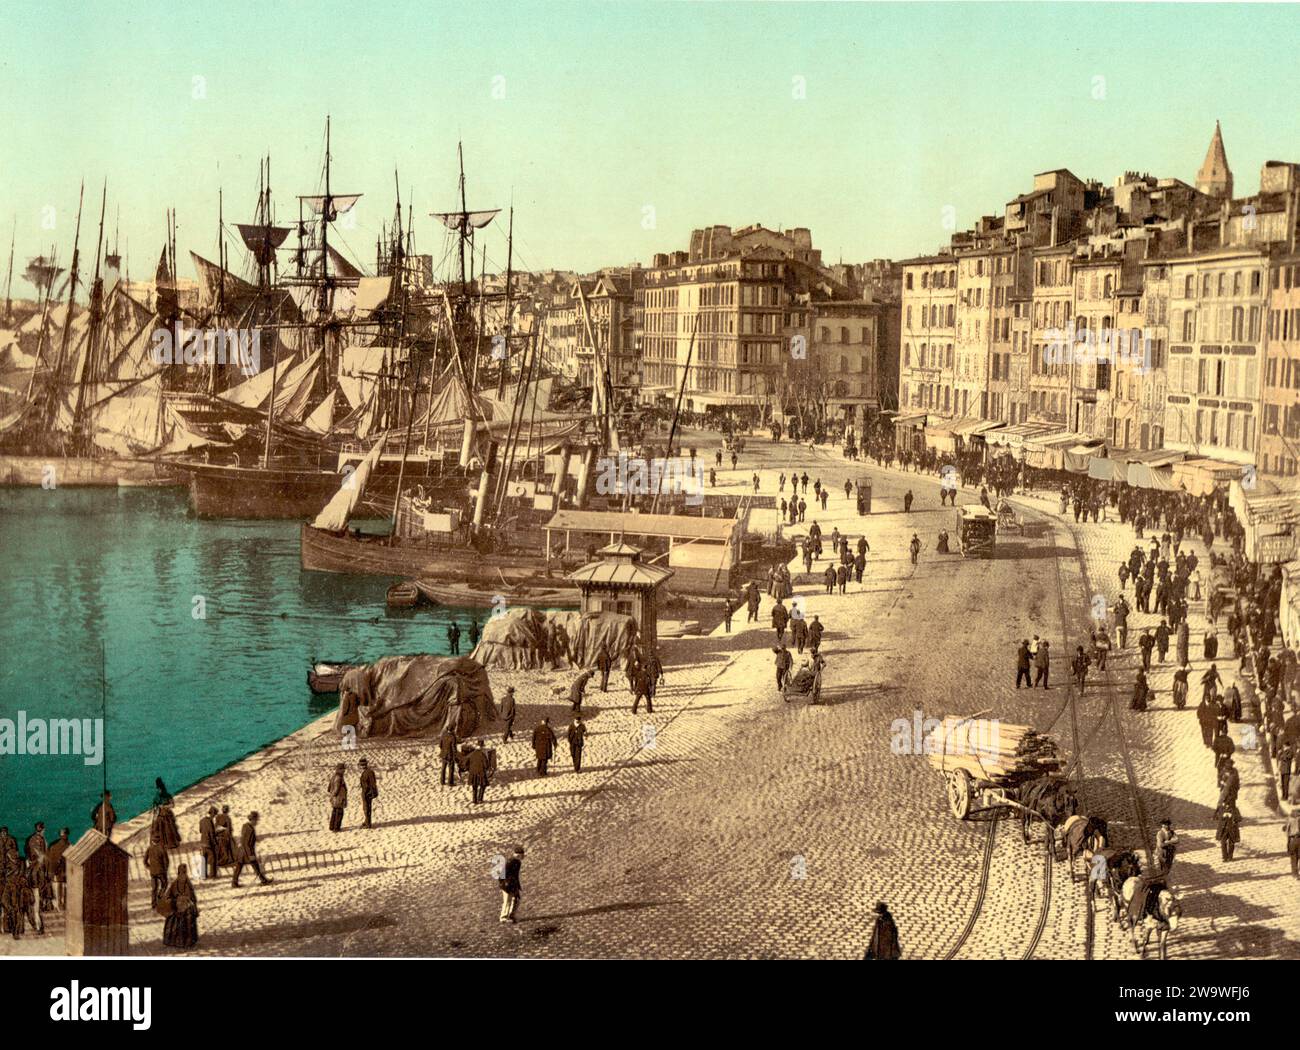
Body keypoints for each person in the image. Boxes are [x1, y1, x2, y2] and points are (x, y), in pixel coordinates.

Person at [160, 863, 200, 949]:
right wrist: (175, 902)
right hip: (178, 908)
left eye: (184, 872)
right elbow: (168, 897)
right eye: (182, 872)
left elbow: (192, 897)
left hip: (185, 908)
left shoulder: (182, 883)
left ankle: (183, 942)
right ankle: (182, 941)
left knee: (186, 919)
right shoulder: (178, 883)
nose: (183, 875)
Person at [231, 812, 271, 888]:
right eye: (256, 820)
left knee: (240, 866)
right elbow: (246, 843)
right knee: (253, 865)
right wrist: (250, 854)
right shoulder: (250, 829)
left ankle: (234, 883)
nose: (256, 822)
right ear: (252, 820)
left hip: (242, 851)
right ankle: (263, 880)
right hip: (247, 851)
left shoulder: (245, 826)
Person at [46, 828, 70, 910]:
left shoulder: (55, 846)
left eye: (64, 834)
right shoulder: (66, 846)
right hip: (61, 871)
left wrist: (51, 872)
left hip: (61, 872)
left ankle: (60, 905)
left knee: (60, 889)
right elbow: (52, 860)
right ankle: (60, 904)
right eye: (63, 835)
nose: (63, 836)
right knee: (61, 889)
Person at [499, 846, 524, 924]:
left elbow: (516, 875)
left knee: (516, 900)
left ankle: (511, 916)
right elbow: (501, 875)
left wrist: (518, 886)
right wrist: (504, 884)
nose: (523, 857)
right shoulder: (510, 861)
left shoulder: (518, 862)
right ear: (518, 855)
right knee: (507, 901)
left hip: (513, 884)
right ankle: (503, 917)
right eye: (522, 855)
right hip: (507, 885)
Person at [144, 831, 170, 908]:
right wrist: (165, 870)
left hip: (152, 872)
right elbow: (166, 861)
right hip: (161, 871)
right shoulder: (162, 848)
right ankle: (159, 897)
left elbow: (145, 861)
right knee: (164, 885)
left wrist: (149, 867)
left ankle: (153, 904)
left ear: (152, 841)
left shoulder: (149, 849)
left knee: (154, 888)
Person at [199, 806, 219, 879]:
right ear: (212, 814)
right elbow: (211, 834)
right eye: (214, 815)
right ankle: (212, 875)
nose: (214, 817)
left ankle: (203, 875)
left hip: (202, 843)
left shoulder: (201, 820)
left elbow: (200, 830)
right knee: (213, 859)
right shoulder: (210, 822)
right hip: (208, 844)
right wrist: (215, 843)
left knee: (203, 859)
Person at [359, 758, 378, 829]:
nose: (362, 766)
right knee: (366, 808)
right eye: (361, 765)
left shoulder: (369, 772)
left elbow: (373, 783)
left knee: (367, 808)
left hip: (367, 792)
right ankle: (366, 821)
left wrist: (370, 792)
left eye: (363, 765)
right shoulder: (366, 771)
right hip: (365, 791)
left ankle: (368, 824)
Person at [1284, 808, 1300, 877]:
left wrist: (1288, 842)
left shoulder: (1289, 819)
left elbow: (1286, 831)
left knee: (1293, 857)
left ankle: (1295, 874)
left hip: (1292, 840)